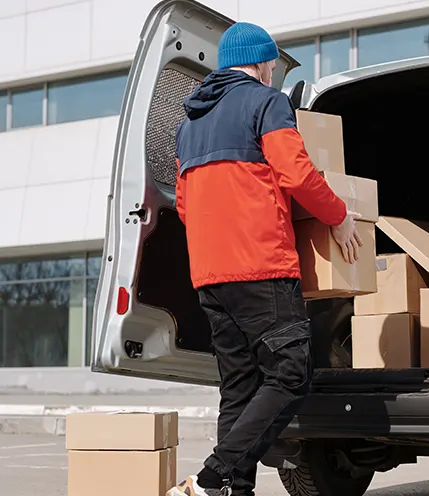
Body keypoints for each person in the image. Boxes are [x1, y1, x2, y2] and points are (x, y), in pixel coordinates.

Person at [166, 22, 362, 496]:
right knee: (291, 374)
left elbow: (184, 206)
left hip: (209, 275)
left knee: (239, 387)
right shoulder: (267, 103)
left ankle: (228, 491)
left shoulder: (188, 126)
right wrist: (338, 216)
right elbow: (296, 172)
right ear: (260, 63)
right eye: (271, 65)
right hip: (261, 265)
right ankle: (211, 477)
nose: (272, 73)